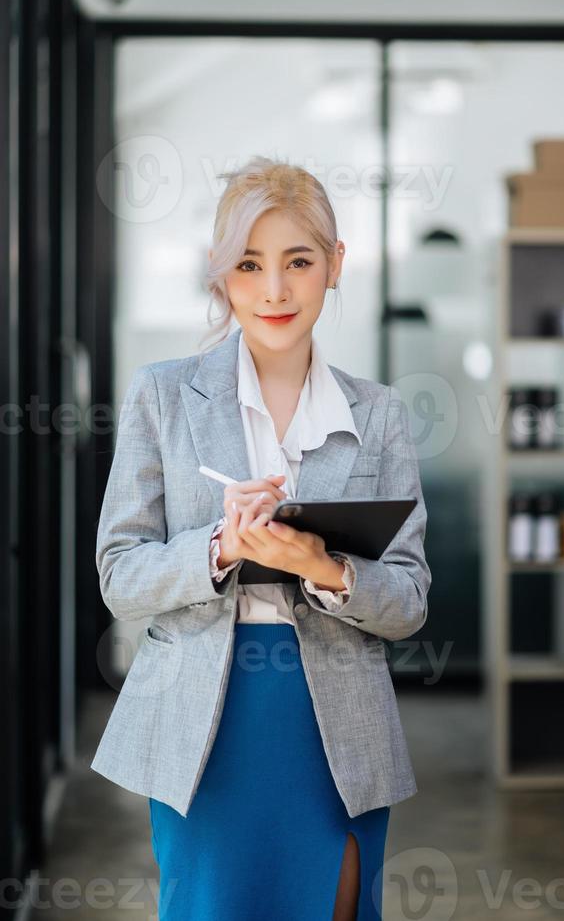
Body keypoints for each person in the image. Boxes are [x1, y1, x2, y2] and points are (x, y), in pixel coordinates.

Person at [91, 156, 431, 920]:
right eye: (248, 264)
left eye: (297, 262)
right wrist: (221, 545)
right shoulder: (163, 395)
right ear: (222, 275)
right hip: (201, 733)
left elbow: (408, 602)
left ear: (334, 267)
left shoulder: (376, 415)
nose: (274, 290)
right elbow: (120, 577)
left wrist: (323, 567)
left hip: (334, 728)